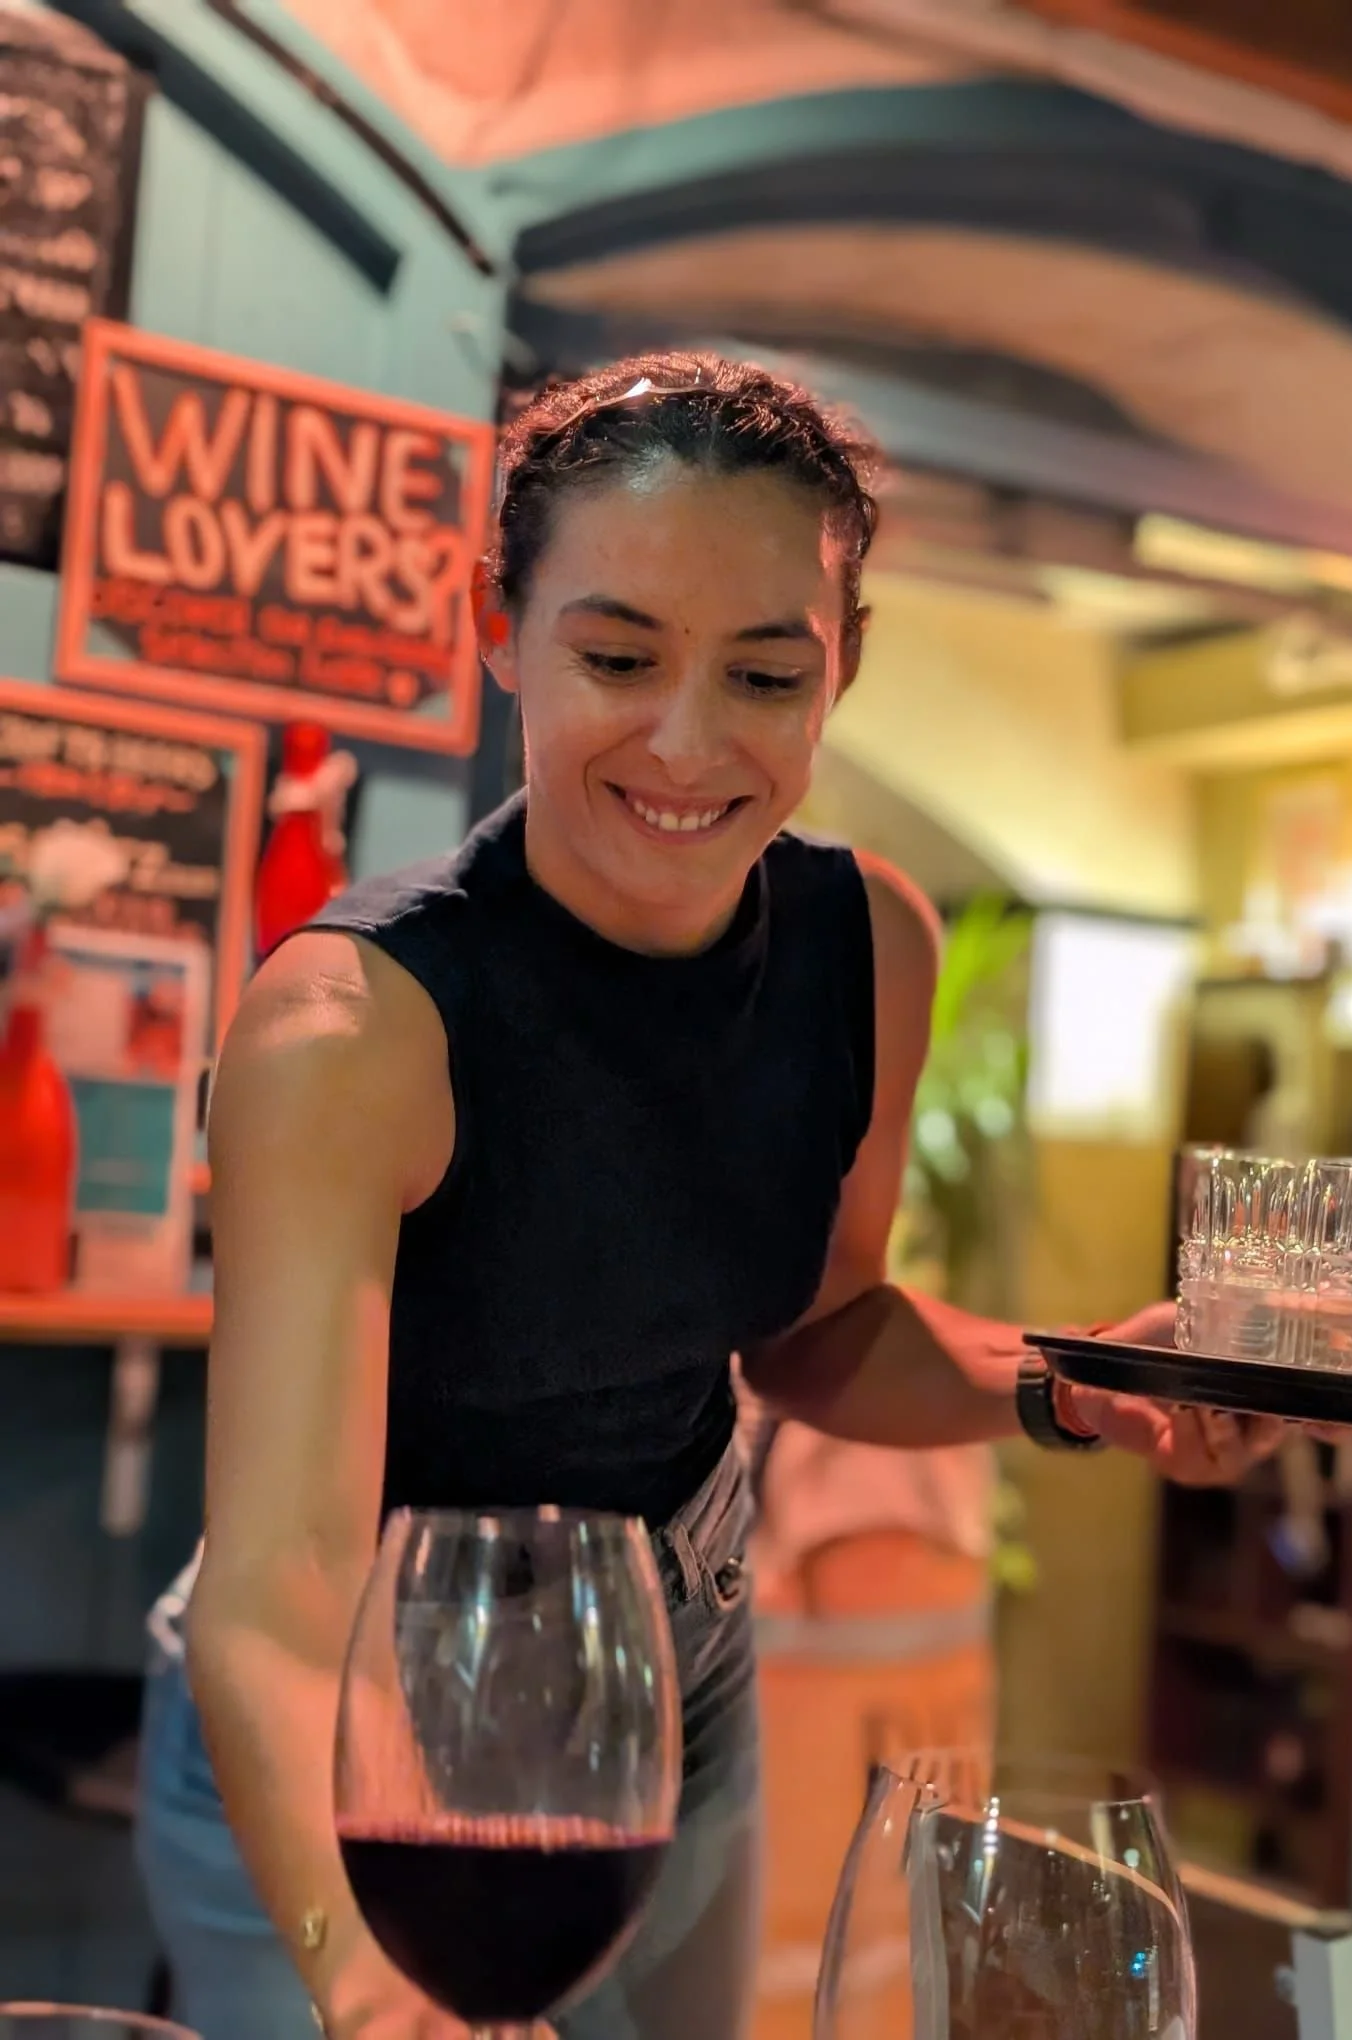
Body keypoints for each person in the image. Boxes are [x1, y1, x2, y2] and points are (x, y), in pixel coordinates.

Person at [133, 352, 1282, 2040]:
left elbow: (820, 1338)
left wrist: (1076, 1385)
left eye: (763, 672)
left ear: (846, 666)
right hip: (353, 1724)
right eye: (615, 656)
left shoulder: (867, 944)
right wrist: (374, 1996)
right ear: (495, 624)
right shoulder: (351, 1029)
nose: (689, 742)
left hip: (673, 1674)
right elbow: (286, 1578)